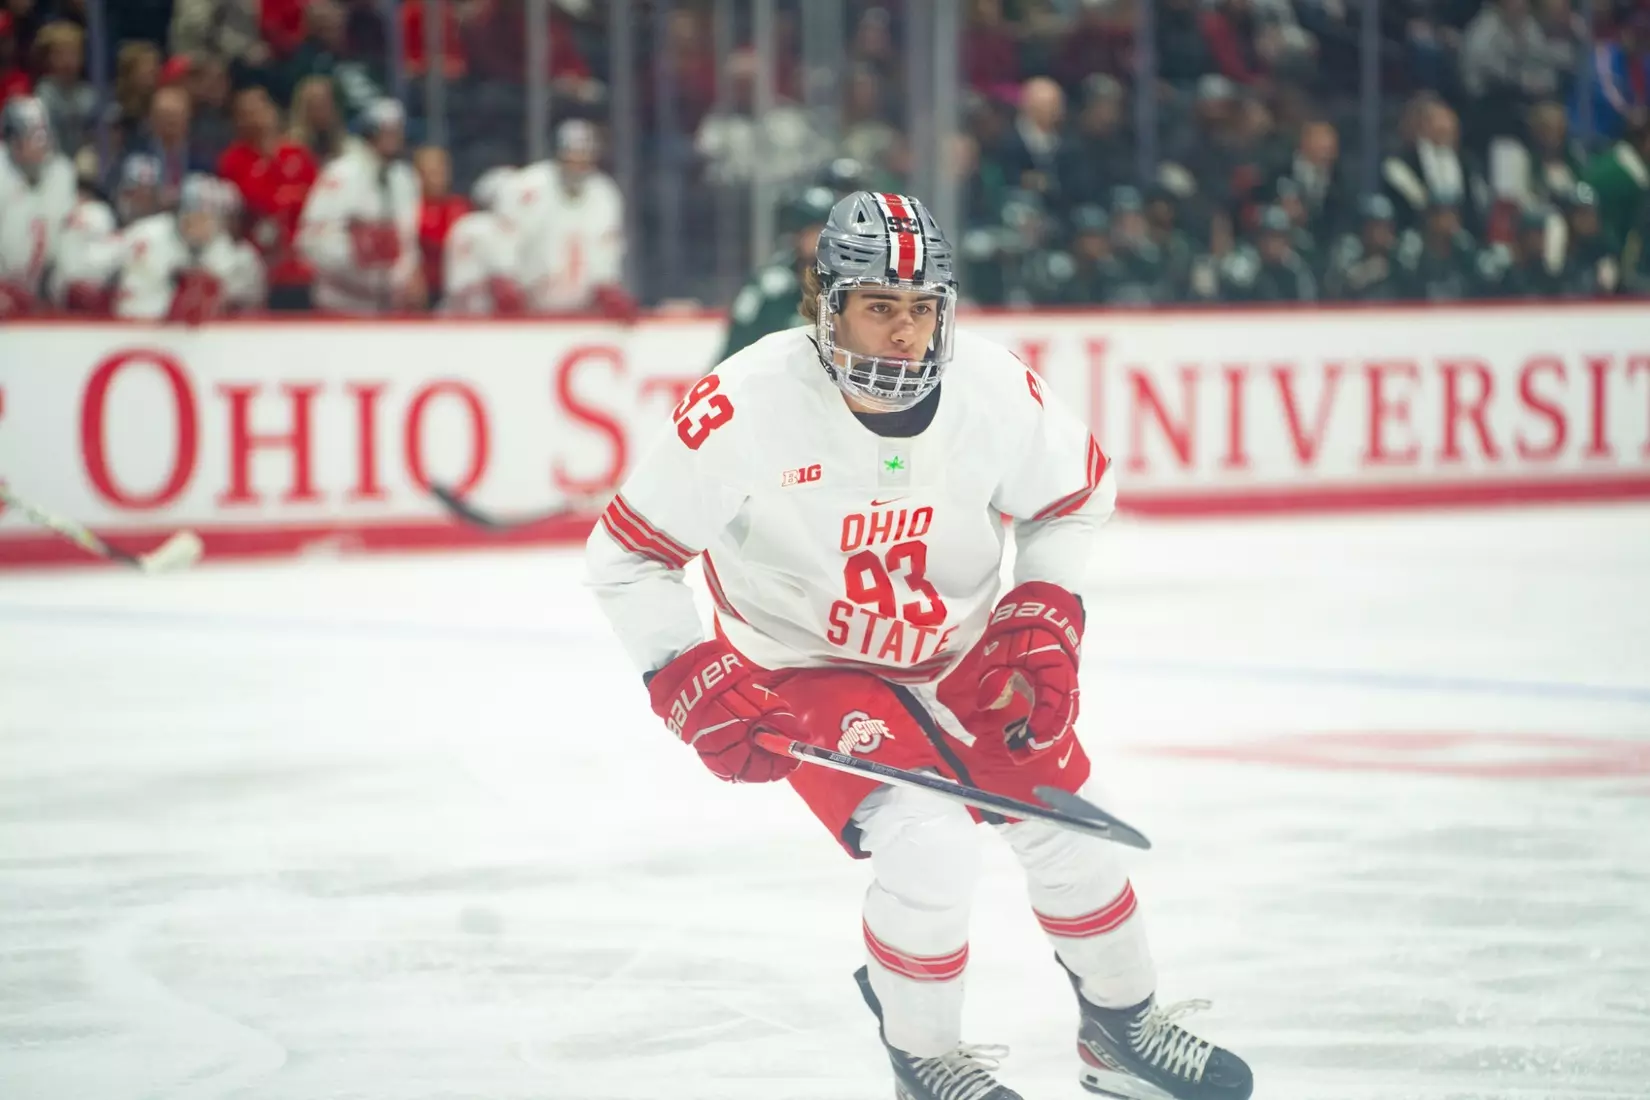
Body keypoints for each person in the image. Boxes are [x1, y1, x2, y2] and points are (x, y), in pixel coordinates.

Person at [584, 191, 1254, 1100]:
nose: (905, 333)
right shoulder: (745, 403)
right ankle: (924, 1058)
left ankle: (1121, 1032)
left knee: (1070, 823)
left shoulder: (992, 387)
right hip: (799, 659)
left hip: (955, 645)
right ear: (828, 305)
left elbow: (1069, 500)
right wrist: (685, 672)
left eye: (921, 308)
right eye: (879, 306)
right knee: (927, 840)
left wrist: (1045, 607)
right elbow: (628, 555)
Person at [296, 96, 422, 314]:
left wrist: (406, 274)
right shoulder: (341, 173)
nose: (393, 137)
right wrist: (358, 260)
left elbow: (408, 240)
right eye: (385, 130)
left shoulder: (405, 178)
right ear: (369, 131)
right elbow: (310, 240)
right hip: (341, 303)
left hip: (390, 306)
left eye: (397, 130)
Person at [515, 118, 633, 318]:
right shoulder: (529, 186)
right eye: (573, 153)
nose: (579, 161)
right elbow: (511, 240)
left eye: (585, 155)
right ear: (559, 153)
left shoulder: (605, 193)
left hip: (585, 308)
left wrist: (605, 285)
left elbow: (607, 248)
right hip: (528, 303)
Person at [114, 174, 265, 321]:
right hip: (133, 326)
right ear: (182, 213)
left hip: (205, 337)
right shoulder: (147, 233)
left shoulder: (230, 251)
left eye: (208, 217)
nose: (199, 224)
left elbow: (250, 301)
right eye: (194, 214)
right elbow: (101, 262)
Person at [718, 184, 836, 361]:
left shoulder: (848, 281)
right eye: (816, 231)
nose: (825, 239)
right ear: (798, 234)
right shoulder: (772, 285)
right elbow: (739, 339)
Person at [0, 96, 76, 317]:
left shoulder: (62, 172)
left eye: (46, 135)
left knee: (93, 218)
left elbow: (63, 232)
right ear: (13, 140)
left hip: (40, 289)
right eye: (34, 136)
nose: (44, 144)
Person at [440, 166, 526, 315]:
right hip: (477, 312)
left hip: (460, 307)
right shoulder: (483, 228)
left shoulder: (464, 224)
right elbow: (504, 287)